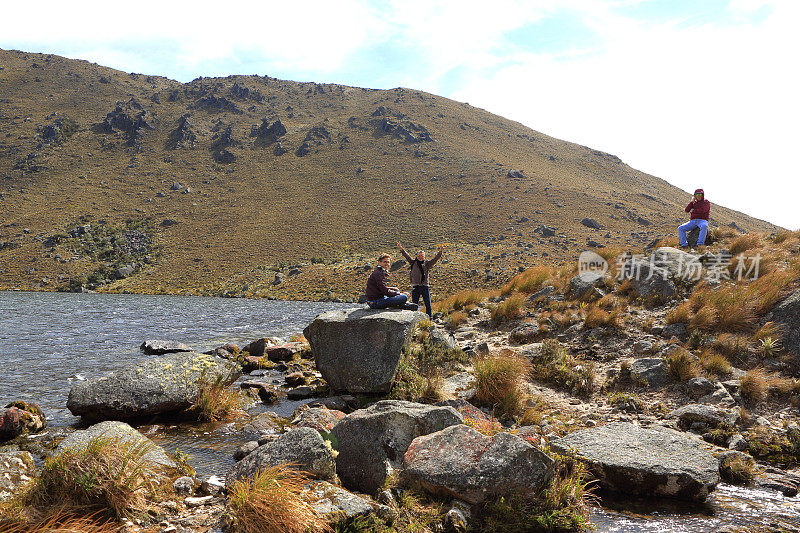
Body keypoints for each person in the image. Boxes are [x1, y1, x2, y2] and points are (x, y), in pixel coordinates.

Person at [397, 241, 443, 317]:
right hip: (416, 286)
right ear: (417, 256)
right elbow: (406, 256)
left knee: (427, 303)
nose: (420, 257)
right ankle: (413, 318)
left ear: (424, 256)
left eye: (422, 256)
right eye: (419, 256)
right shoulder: (413, 262)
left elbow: (435, 259)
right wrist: (401, 249)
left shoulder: (427, 264)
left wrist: (440, 251)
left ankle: (430, 318)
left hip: (425, 286)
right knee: (414, 304)